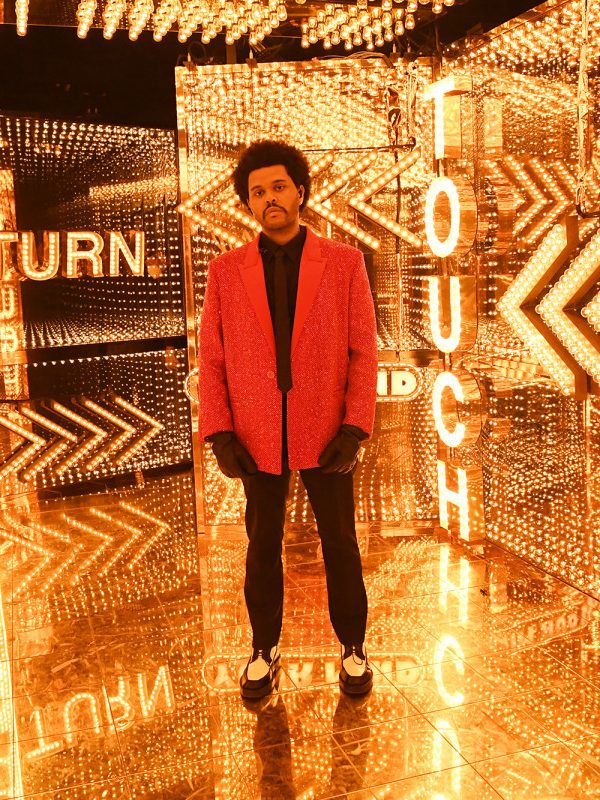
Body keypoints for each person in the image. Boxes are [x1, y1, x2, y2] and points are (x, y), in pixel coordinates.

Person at [198, 139, 378, 700]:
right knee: (261, 547)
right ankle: (263, 649)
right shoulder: (225, 271)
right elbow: (212, 357)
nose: (269, 198)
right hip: (255, 434)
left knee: (340, 543)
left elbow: (364, 351)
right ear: (247, 203)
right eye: (258, 192)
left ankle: (353, 647)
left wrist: (356, 426)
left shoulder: (345, 263)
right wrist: (219, 431)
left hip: (328, 430)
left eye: (278, 187)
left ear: (300, 191)